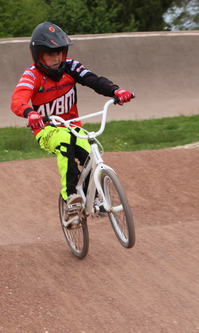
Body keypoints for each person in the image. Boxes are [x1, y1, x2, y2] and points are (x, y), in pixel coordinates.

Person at [11, 21, 133, 226]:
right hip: (46, 129)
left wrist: (115, 91)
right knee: (65, 141)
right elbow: (18, 100)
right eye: (50, 54)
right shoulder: (32, 75)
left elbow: (94, 80)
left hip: (73, 126)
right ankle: (70, 199)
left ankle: (92, 197)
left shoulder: (71, 67)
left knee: (89, 148)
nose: (57, 58)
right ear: (38, 55)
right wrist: (30, 113)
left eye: (60, 52)